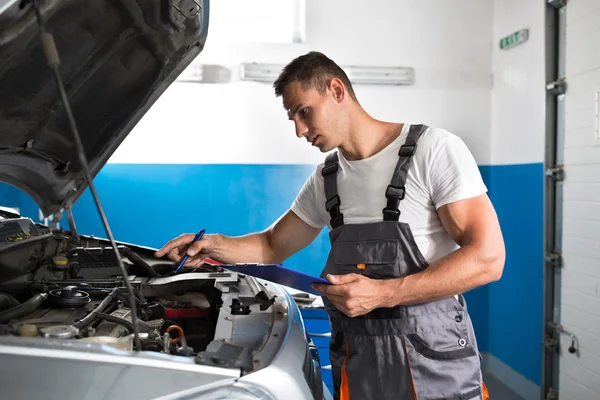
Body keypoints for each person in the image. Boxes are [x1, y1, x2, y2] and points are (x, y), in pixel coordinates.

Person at [155, 51, 504, 400]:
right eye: (292, 118)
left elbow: (488, 259)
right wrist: (212, 244)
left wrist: (382, 294)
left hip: (434, 362)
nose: (299, 130)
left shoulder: (433, 150)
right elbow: (273, 245)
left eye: (304, 112)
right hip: (361, 364)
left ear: (336, 91)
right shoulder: (327, 178)